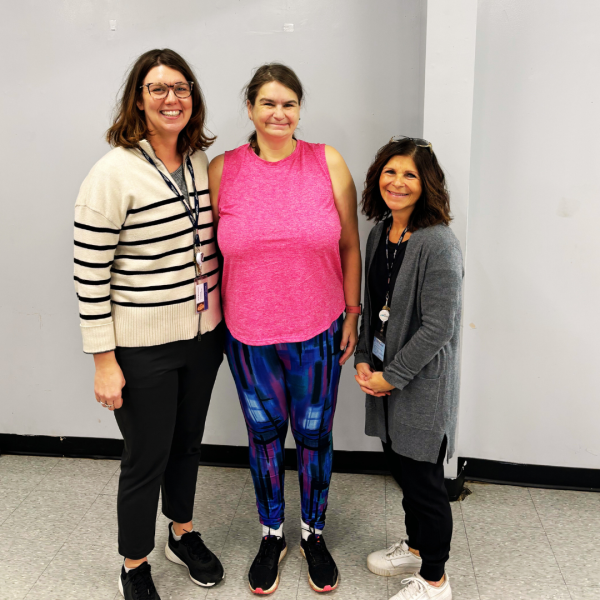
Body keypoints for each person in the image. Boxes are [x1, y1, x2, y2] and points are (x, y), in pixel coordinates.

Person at [74, 49, 225, 600]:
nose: (171, 99)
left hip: (204, 337)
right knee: (147, 457)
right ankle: (134, 565)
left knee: (188, 443)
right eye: (158, 89)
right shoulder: (112, 172)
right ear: (138, 98)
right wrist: (104, 361)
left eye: (181, 88)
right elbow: (89, 274)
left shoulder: (200, 165)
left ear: (194, 99)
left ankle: (181, 534)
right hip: (142, 347)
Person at [208, 63, 361, 595]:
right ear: (249, 108)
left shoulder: (327, 162)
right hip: (248, 336)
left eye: (289, 104)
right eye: (268, 103)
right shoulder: (223, 169)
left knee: (315, 436)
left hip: (318, 329)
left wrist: (353, 311)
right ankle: (271, 534)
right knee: (265, 437)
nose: (279, 113)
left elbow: (349, 245)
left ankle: (314, 533)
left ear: (299, 110)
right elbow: (206, 252)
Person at [354, 137, 463, 600]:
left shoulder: (438, 243)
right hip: (382, 372)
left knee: (425, 481)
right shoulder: (381, 231)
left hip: (420, 383)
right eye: (390, 172)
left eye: (410, 175)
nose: (397, 183)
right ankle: (416, 546)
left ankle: (435, 578)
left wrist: (391, 375)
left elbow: (440, 327)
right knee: (401, 466)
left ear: (427, 184)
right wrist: (363, 356)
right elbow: (372, 301)